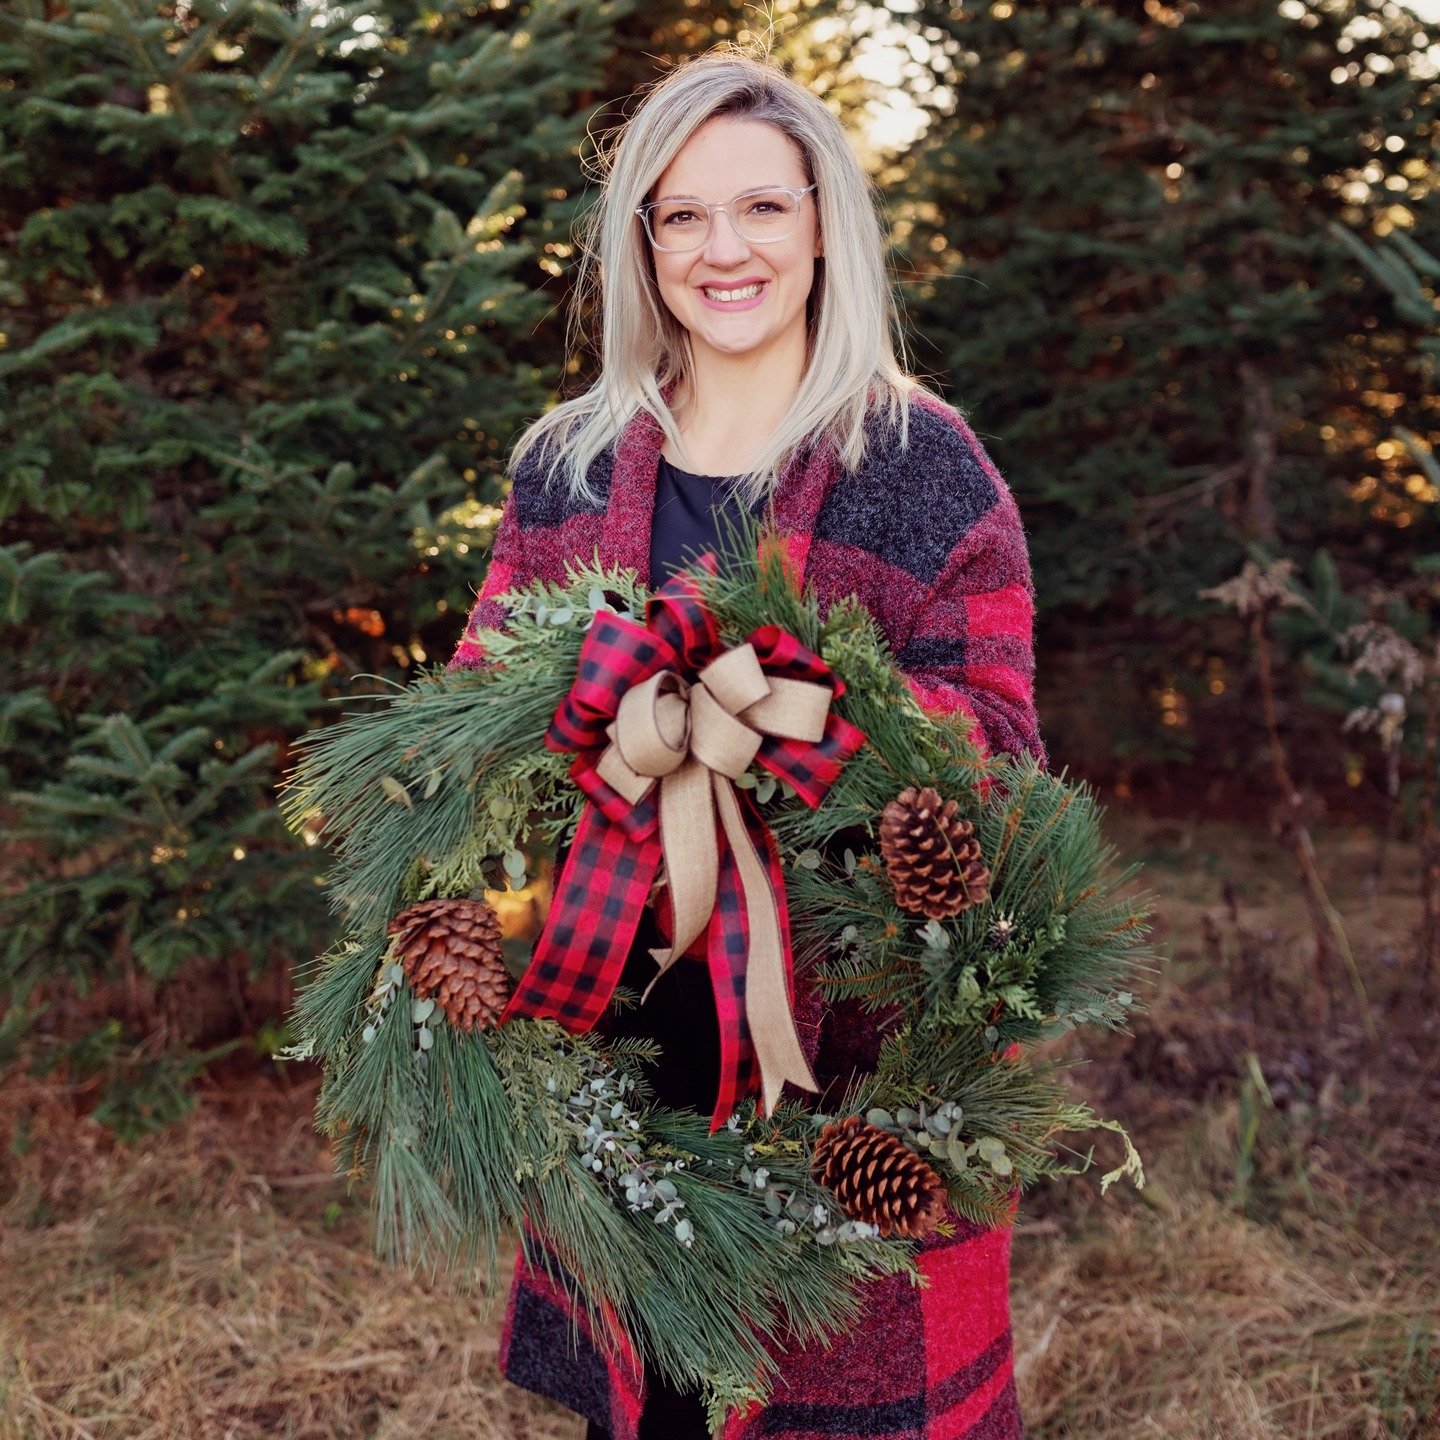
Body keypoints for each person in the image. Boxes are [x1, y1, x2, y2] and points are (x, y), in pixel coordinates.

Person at [448, 48, 1044, 1440]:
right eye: (683, 215)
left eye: (762, 209)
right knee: (646, 1410)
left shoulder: (923, 466)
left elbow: (1004, 759)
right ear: (641, 242)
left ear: (824, 222)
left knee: (834, 1403)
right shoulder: (571, 461)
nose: (726, 250)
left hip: (840, 1073)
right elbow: (482, 702)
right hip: (619, 1052)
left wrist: (787, 709)